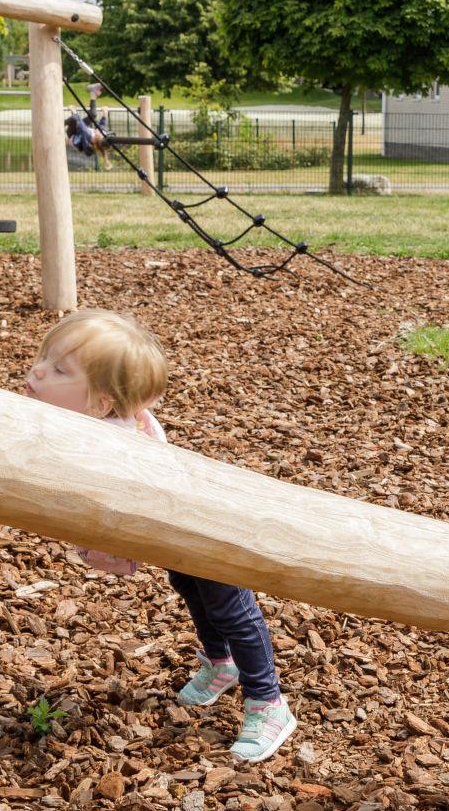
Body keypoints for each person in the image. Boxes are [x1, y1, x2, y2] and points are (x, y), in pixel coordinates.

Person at [22, 307, 299, 761]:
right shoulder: (91, 423)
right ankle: (221, 663)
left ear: (100, 404)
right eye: (44, 358)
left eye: (58, 369)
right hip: (174, 536)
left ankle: (268, 702)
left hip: (209, 530)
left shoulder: (111, 444)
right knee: (188, 586)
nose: (37, 369)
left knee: (232, 609)